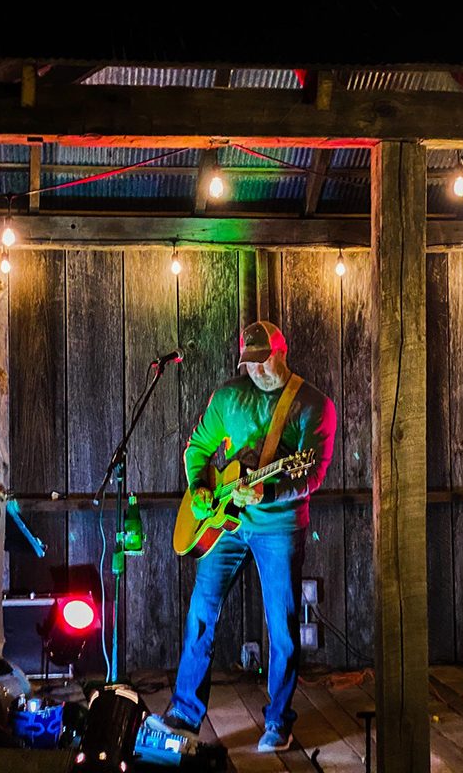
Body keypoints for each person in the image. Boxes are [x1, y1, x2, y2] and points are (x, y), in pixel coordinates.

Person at [148, 320, 337, 752]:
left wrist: (267, 489)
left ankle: (277, 721)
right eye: (248, 363)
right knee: (201, 610)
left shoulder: (313, 405)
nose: (255, 371)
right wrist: (199, 487)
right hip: (225, 522)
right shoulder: (228, 396)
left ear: (281, 352)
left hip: (279, 526)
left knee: (282, 626)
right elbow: (197, 448)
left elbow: (313, 474)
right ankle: (184, 710)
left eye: (263, 361)